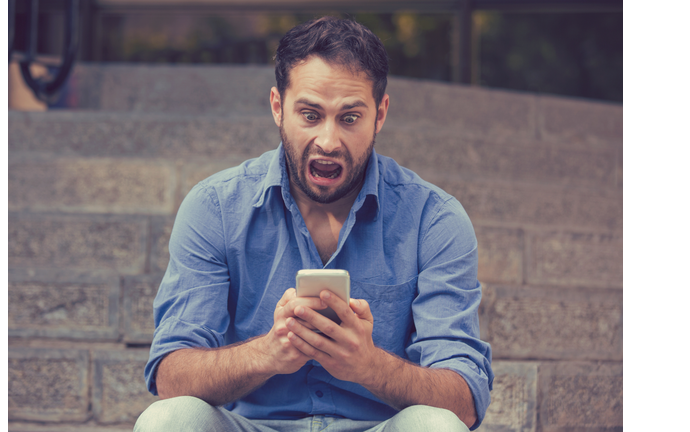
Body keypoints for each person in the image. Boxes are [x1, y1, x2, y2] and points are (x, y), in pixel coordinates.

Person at [135, 16, 494, 432]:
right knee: (168, 420)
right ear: (277, 107)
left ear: (380, 115)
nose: (328, 141)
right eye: (310, 115)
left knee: (438, 427)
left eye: (349, 118)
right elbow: (171, 376)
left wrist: (369, 365)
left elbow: (465, 401)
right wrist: (267, 353)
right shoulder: (214, 207)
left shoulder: (435, 219)